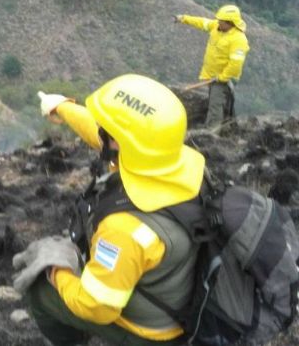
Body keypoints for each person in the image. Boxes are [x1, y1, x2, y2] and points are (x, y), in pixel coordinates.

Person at [14, 74, 206, 346]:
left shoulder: (124, 230)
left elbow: (97, 307)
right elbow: (106, 138)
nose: (100, 130)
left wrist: (55, 271)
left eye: (106, 129)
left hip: (152, 334)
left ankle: (73, 339)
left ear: (119, 143)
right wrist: (63, 108)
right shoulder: (180, 164)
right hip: (178, 291)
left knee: (40, 292)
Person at [175, 5, 249, 128]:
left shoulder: (238, 40)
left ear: (230, 23)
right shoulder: (216, 27)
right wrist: (183, 18)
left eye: (221, 21)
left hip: (225, 78)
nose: (218, 22)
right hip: (214, 75)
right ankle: (228, 126)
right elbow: (202, 22)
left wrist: (223, 77)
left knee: (215, 104)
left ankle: (211, 132)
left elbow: (235, 64)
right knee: (218, 101)